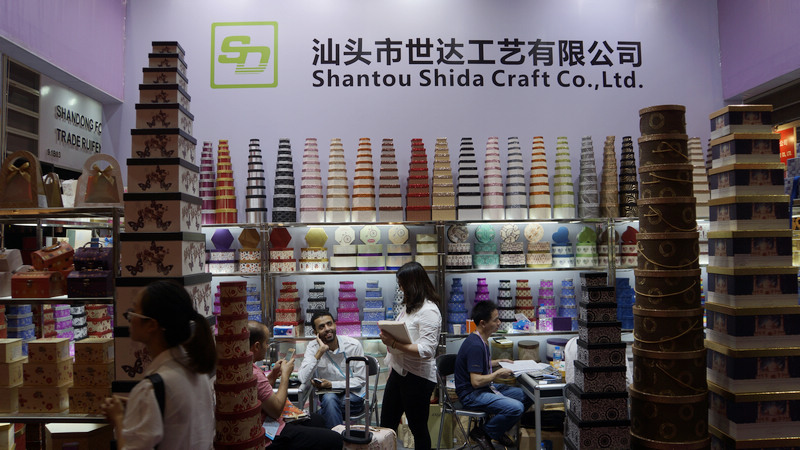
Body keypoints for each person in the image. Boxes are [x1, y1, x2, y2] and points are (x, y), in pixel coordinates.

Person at [101, 280, 216, 450]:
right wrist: (137, 404)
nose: (129, 317)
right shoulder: (197, 371)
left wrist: (118, 418)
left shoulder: (152, 388)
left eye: (134, 311)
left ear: (151, 325)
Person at [247, 321, 344, 449]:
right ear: (256, 346)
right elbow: (276, 410)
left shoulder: (250, 367)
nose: (268, 346)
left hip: (271, 422)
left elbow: (260, 393)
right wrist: (285, 376)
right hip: (270, 432)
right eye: (266, 343)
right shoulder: (254, 374)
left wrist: (273, 375)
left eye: (329, 324)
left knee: (318, 419)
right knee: (334, 438)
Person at [454, 300, 533, 449]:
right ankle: (484, 432)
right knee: (516, 408)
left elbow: (478, 364)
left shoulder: (480, 339)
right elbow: (476, 381)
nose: (499, 322)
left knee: (528, 396)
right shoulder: (476, 345)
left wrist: (498, 362)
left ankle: (496, 430)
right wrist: (497, 374)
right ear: (483, 323)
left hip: (483, 388)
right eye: (495, 320)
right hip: (471, 394)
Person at [379, 261, 442, 450]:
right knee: (386, 425)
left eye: (402, 284)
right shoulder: (409, 308)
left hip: (418, 377)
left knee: (417, 428)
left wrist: (394, 343)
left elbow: (426, 350)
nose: (400, 288)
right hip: (399, 372)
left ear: (413, 284)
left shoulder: (429, 311)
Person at [297, 310, 366, 428]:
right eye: (321, 327)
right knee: (329, 400)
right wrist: (319, 352)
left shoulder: (353, 345)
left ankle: (328, 431)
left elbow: (361, 380)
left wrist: (331, 385)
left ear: (335, 324)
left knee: (324, 409)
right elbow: (303, 378)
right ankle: (338, 437)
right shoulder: (313, 347)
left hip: (354, 396)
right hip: (328, 396)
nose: (327, 329)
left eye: (329, 324)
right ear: (315, 333)